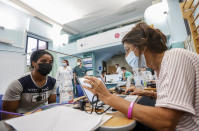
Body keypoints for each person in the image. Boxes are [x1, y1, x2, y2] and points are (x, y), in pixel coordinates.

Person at [83, 22, 199, 131]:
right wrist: (151, 94)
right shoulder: (161, 68)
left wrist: (108, 97)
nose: (127, 56)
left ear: (143, 45)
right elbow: (178, 97)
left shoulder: (176, 57)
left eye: (128, 50)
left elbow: (166, 122)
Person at [2, 50, 56, 120]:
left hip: (42, 116)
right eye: (43, 61)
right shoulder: (18, 84)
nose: (48, 64)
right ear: (33, 63)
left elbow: (51, 106)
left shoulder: (52, 82)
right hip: (21, 118)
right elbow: (7, 116)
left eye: (50, 62)